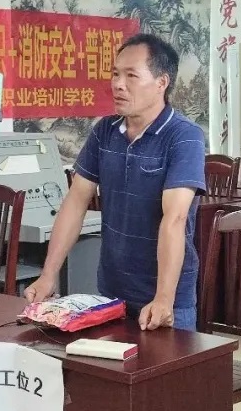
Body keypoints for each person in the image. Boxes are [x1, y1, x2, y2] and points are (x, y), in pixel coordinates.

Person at [24, 34, 206, 330]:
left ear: (161, 82)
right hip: (111, 292)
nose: (118, 84)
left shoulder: (184, 136)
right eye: (115, 74)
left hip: (165, 299)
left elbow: (175, 218)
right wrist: (48, 275)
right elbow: (75, 202)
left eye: (131, 75)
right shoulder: (105, 132)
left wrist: (164, 298)